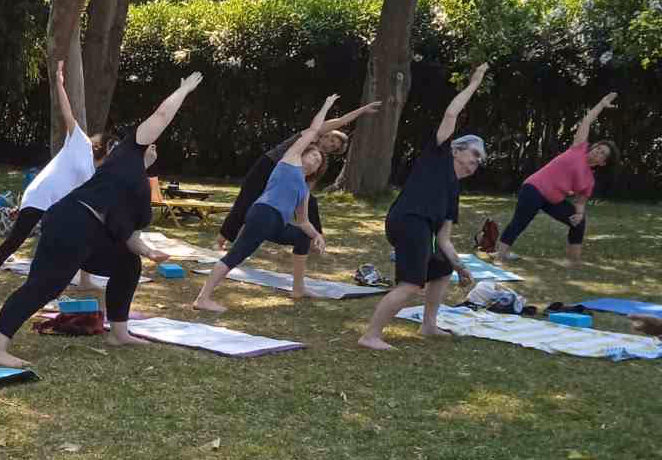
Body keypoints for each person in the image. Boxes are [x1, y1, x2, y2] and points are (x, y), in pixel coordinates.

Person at [0, 73, 204, 369]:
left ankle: (119, 333)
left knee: (128, 262)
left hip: (95, 235)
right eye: (152, 141)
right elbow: (162, 115)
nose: (154, 144)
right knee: (45, 285)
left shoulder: (140, 190)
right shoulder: (127, 152)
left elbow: (129, 236)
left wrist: (151, 253)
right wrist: (185, 90)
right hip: (71, 220)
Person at [357, 64, 489, 352]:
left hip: (423, 228)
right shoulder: (438, 155)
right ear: (457, 149)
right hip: (407, 220)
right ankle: (370, 335)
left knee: (441, 268)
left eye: (480, 161)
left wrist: (460, 267)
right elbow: (451, 114)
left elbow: (443, 238)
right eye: (474, 155)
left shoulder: (454, 189)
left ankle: (428, 325)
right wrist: (474, 83)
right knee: (411, 282)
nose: (476, 162)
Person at [0, 62, 112, 302]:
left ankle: (85, 280)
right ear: (102, 148)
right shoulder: (80, 142)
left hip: (55, 205)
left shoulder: (97, 174)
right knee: (15, 241)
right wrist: (59, 83)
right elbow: (68, 113)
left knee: (88, 233)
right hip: (39, 196)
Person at [194, 96, 339, 312]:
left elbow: (303, 222)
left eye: (318, 162)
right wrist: (326, 105)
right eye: (313, 156)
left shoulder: (304, 189)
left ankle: (298, 288)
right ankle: (202, 299)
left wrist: (317, 235)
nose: (315, 161)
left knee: (301, 237)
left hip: (276, 223)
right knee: (237, 255)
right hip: (263, 214)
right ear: (303, 153)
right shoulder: (289, 160)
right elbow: (313, 129)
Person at [218, 99, 382, 251]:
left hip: (284, 179)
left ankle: (315, 239)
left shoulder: (318, 159)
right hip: (269, 165)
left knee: (310, 202)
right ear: (329, 134)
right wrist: (363, 110)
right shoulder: (314, 133)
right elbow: (341, 121)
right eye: (332, 141)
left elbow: (308, 183)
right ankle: (223, 238)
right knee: (246, 200)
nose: (331, 146)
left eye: (334, 148)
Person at [496, 94, 617, 267]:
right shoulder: (579, 148)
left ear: (603, 163)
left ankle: (572, 262)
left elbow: (580, 201)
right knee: (520, 221)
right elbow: (587, 121)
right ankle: (500, 256)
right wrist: (601, 104)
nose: (598, 152)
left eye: (603, 153)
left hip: (552, 200)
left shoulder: (589, 180)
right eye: (598, 148)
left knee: (579, 223)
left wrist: (578, 215)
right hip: (534, 188)